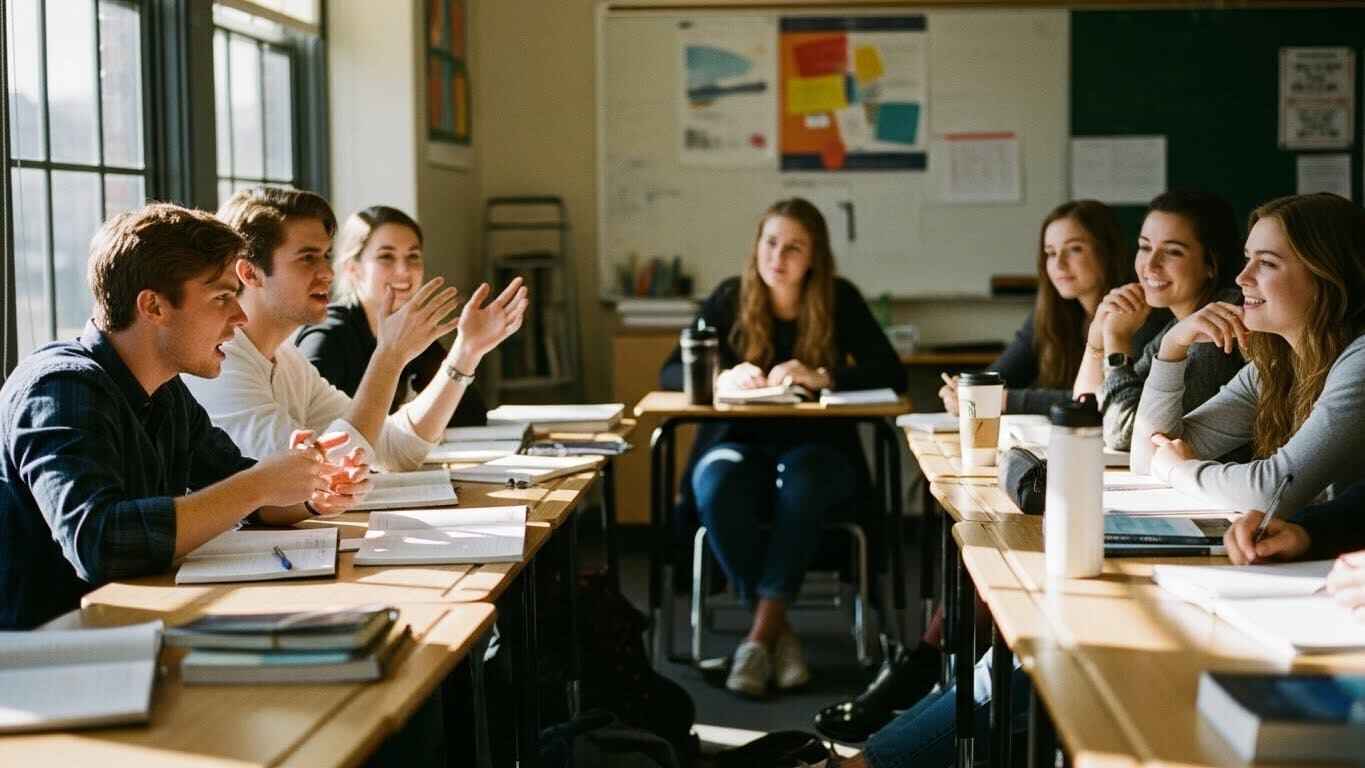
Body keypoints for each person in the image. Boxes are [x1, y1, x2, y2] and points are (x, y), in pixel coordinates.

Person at [0, 203, 369, 630]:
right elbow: (99, 543)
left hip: (132, 630)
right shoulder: (59, 389)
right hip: (46, 656)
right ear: (154, 306)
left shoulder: (166, 390)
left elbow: (239, 488)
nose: (240, 316)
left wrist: (307, 489)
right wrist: (261, 484)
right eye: (221, 297)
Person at [659, 198, 907, 698]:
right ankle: (778, 634)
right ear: (757, 247)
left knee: (805, 481)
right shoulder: (730, 298)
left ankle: (756, 640)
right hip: (737, 444)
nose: (779, 256)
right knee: (716, 480)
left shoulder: (838, 298)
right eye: (771, 243)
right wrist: (721, 374)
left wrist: (824, 375)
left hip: (818, 447)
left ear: (814, 256)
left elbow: (892, 372)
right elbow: (669, 371)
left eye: (794, 247)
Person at [183, 187, 527, 467]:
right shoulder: (222, 363)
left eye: (326, 256)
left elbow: (394, 450)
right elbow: (308, 476)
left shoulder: (289, 363)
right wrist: (390, 356)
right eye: (307, 258)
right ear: (249, 273)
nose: (327, 273)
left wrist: (466, 352)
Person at [1133, 192, 1365, 515]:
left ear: (1326, 275)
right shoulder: (1274, 365)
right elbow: (1146, 457)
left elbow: (1271, 491)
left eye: (1267, 263)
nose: (1243, 278)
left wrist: (1178, 470)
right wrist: (1172, 347)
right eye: (1247, 258)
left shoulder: (1360, 361)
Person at [938, 199, 1166, 416]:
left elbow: (1102, 398)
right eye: (1051, 253)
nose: (1058, 264)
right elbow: (999, 376)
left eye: (1074, 249)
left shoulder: (1138, 313)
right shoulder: (1051, 313)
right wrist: (964, 388)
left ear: (1107, 251)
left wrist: (999, 399)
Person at [1071, 190, 1246, 450]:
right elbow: (1087, 414)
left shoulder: (1217, 329)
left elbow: (1126, 433)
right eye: (1144, 247)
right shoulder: (1179, 323)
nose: (1150, 265)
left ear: (1212, 263)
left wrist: (1116, 340)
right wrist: (1097, 342)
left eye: (1173, 252)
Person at [293, 205, 488, 426]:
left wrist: (469, 348)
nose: (404, 270)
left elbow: (469, 416)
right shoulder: (328, 335)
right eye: (386, 257)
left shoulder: (410, 328)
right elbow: (306, 427)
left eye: (413, 256)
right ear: (352, 268)